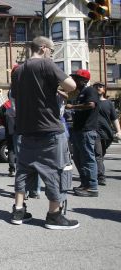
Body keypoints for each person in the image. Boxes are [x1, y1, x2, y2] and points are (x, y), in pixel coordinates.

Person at [10, 36, 78, 230]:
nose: (52, 53)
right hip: (49, 128)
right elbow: (71, 86)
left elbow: (15, 98)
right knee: (56, 171)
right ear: (43, 48)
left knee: (23, 170)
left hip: (26, 129)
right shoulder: (47, 65)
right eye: (52, 50)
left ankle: (18, 209)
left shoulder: (18, 71)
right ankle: (54, 215)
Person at [66, 69, 99, 197]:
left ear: (84, 80)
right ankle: (85, 184)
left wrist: (73, 107)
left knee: (87, 159)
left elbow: (91, 105)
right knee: (79, 158)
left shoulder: (90, 90)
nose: (74, 80)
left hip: (86, 130)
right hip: (78, 131)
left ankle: (92, 187)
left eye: (76, 78)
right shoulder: (81, 92)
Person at [92, 82, 121, 186]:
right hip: (95, 132)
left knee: (101, 154)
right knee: (98, 154)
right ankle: (101, 177)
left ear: (104, 90)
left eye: (100, 86)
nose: (98, 88)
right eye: (96, 87)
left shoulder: (109, 103)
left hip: (107, 133)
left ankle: (96, 172)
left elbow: (114, 118)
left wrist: (119, 131)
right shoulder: (90, 102)